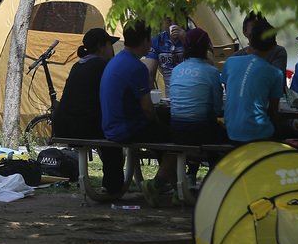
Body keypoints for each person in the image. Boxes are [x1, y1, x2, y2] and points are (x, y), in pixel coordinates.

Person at [99, 20, 178, 201]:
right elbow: (148, 109)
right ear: (145, 41)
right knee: (177, 140)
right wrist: (158, 122)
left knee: (161, 133)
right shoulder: (137, 67)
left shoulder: (116, 60)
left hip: (109, 125)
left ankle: (167, 183)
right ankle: (157, 184)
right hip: (127, 128)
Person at [52, 27, 124, 197]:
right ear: (101, 46)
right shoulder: (103, 65)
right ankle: (113, 187)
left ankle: (111, 186)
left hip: (62, 125)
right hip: (81, 126)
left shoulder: (79, 65)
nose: (112, 50)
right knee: (115, 136)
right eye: (109, 45)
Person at [222, 17, 283, 144]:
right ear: (273, 46)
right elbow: (273, 111)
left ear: (250, 40)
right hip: (258, 134)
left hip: (230, 132)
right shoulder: (275, 73)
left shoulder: (230, 62)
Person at [167, 28, 226, 151]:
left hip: (176, 130)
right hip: (201, 131)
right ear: (206, 48)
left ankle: (192, 168)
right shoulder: (212, 71)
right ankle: (215, 168)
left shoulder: (176, 70)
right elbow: (217, 108)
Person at [227, 11, 289, 75]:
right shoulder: (235, 57)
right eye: (254, 27)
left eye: (261, 26)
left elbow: (278, 79)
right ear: (244, 32)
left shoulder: (277, 52)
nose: (258, 30)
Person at [145, 16, 187, 89]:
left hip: (192, 93)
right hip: (170, 95)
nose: (173, 24)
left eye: (177, 20)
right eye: (169, 20)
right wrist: (152, 94)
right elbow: (149, 71)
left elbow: (207, 64)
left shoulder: (194, 36)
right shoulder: (157, 40)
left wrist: (186, 41)